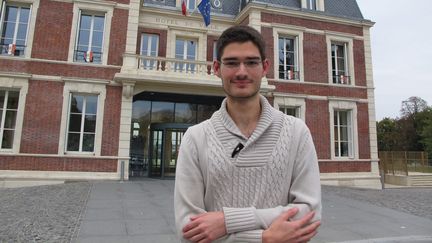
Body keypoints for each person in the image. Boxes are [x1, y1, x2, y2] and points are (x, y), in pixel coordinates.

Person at [174, 25, 321, 243]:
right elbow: (189, 229)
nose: (241, 72)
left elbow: (309, 216)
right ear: (216, 68)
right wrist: (263, 238)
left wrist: (227, 221)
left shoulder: (297, 132)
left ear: (265, 67)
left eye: (251, 62)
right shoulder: (195, 138)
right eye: (232, 63)